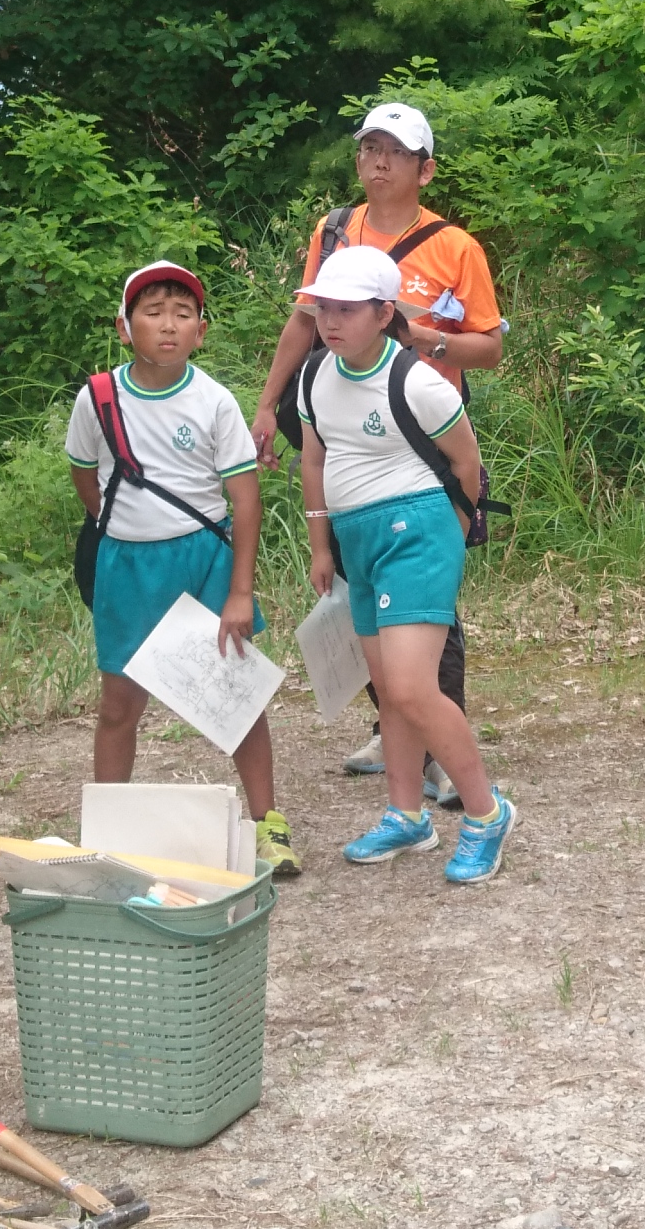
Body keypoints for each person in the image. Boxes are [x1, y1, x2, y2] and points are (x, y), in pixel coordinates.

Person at [253, 100, 502, 792]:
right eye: (369, 148)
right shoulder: (334, 230)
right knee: (359, 580)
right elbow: (304, 321)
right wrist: (268, 403)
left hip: (421, 432)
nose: (379, 162)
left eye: (395, 151)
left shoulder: (457, 247)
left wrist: (423, 340)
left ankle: (441, 740)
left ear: (426, 168)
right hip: (341, 423)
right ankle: (392, 722)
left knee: (425, 594)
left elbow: (490, 348)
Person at [290, 246, 519, 884]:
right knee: (389, 688)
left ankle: (486, 812)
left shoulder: (417, 381)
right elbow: (314, 459)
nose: (329, 321)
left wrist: (446, 536)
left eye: (346, 309)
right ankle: (406, 813)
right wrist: (320, 545)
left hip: (416, 533)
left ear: (384, 312)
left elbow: (467, 464)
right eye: (322, 307)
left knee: (415, 687)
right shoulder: (314, 376)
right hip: (355, 540)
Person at [66, 260, 298, 881]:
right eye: (153, 312)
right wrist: (125, 528)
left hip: (204, 560)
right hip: (127, 566)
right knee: (119, 704)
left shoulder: (214, 400)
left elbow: (245, 499)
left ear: (201, 330)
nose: (168, 325)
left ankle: (268, 825)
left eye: (183, 313)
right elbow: (85, 477)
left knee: (236, 698)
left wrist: (240, 592)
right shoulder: (97, 398)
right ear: (124, 327)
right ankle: (109, 833)